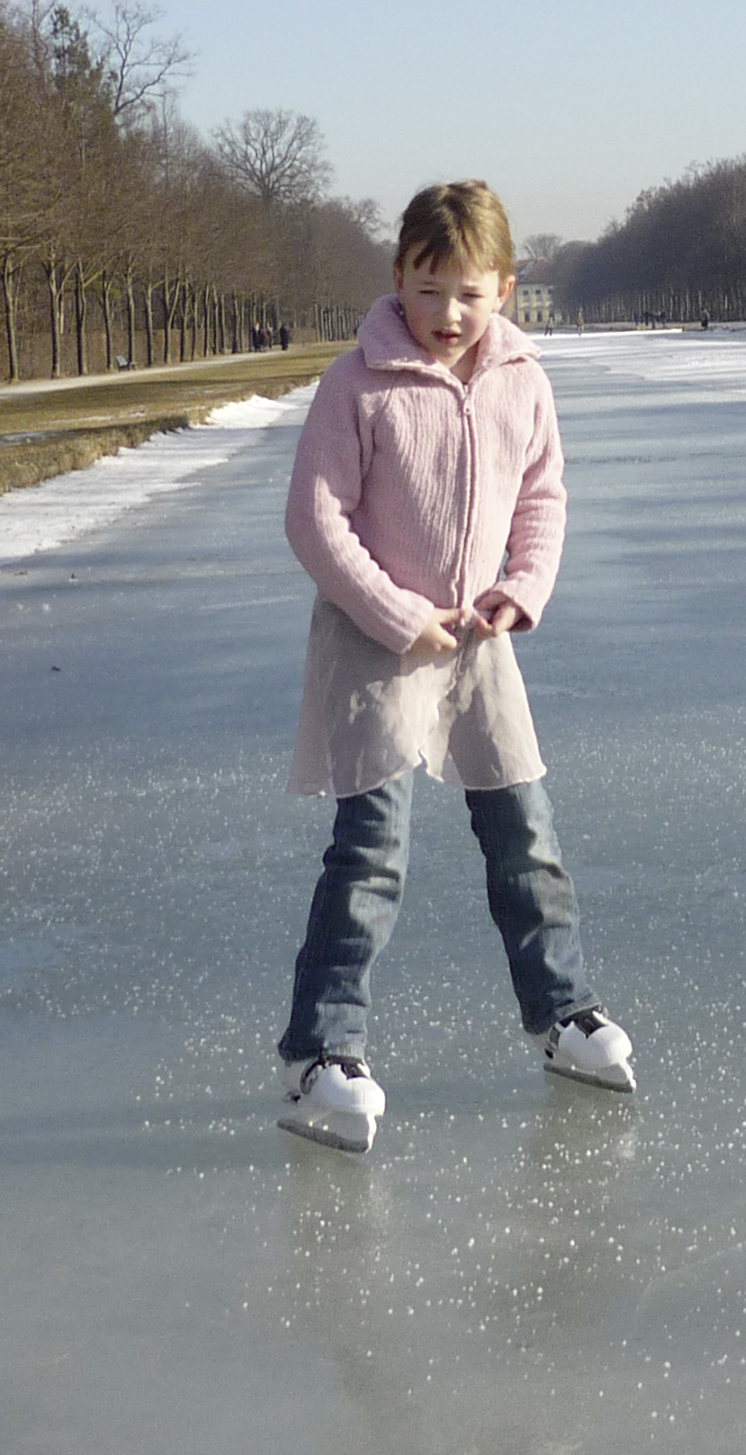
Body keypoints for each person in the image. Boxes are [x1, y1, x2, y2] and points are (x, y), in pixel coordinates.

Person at [273, 179, 632, 1153]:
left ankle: (562, 1011)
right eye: (429, 290)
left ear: (504, 289)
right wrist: (396, 614)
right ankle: (320, 1053)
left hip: (478, 641)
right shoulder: (357, 383)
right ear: (398, 278)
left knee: (526, 833)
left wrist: (523, 585)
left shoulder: (522, 379)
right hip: (377, 646)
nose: (448, 313)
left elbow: (542, 497)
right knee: (371, 852)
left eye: (469, 293)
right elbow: (313, 519)